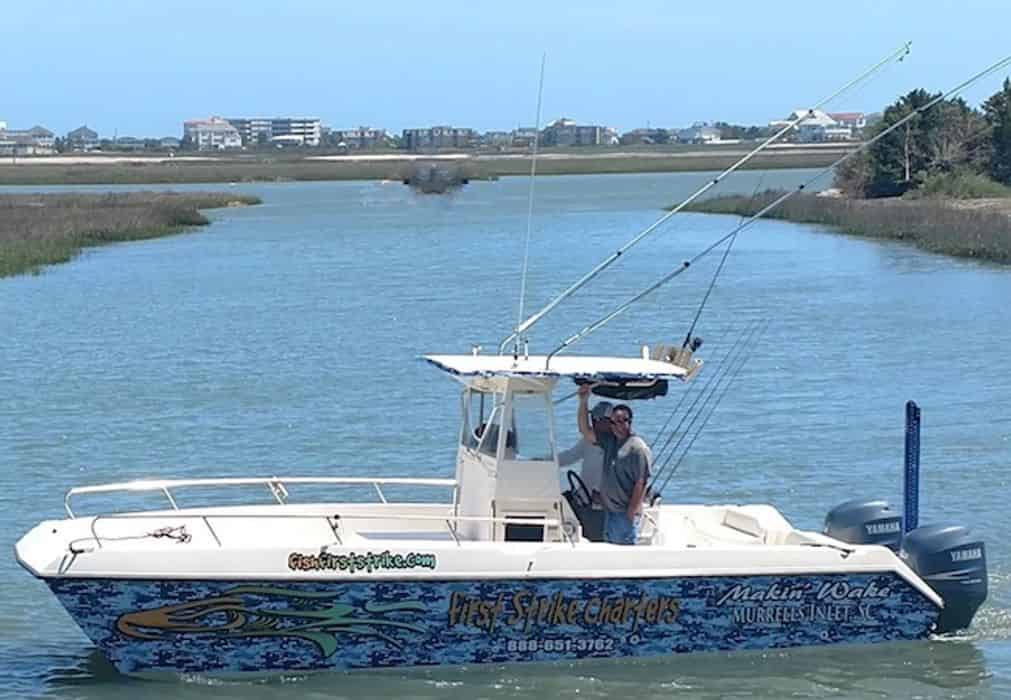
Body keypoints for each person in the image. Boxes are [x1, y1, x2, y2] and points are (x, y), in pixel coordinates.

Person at [580, 387, 652, 545]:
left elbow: (642, 482)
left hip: (623, 515)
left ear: (629, 422)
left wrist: (631, 512)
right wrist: (583, 401)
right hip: (609, 512)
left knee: (624, 554)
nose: (616, 426)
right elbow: (585, 430)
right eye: (613, 422)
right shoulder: (610, 442)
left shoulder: (638, 448)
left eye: (621, 421)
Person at [558, 398, 613, 497]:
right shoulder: (588, 440)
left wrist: (583, 400)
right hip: (584, 497)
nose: (593, 421)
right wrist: (547, 461)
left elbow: (583, 429)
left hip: (602, 502)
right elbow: (570, 456)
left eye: (596, 419)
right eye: (593, 418)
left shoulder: (614, 441)